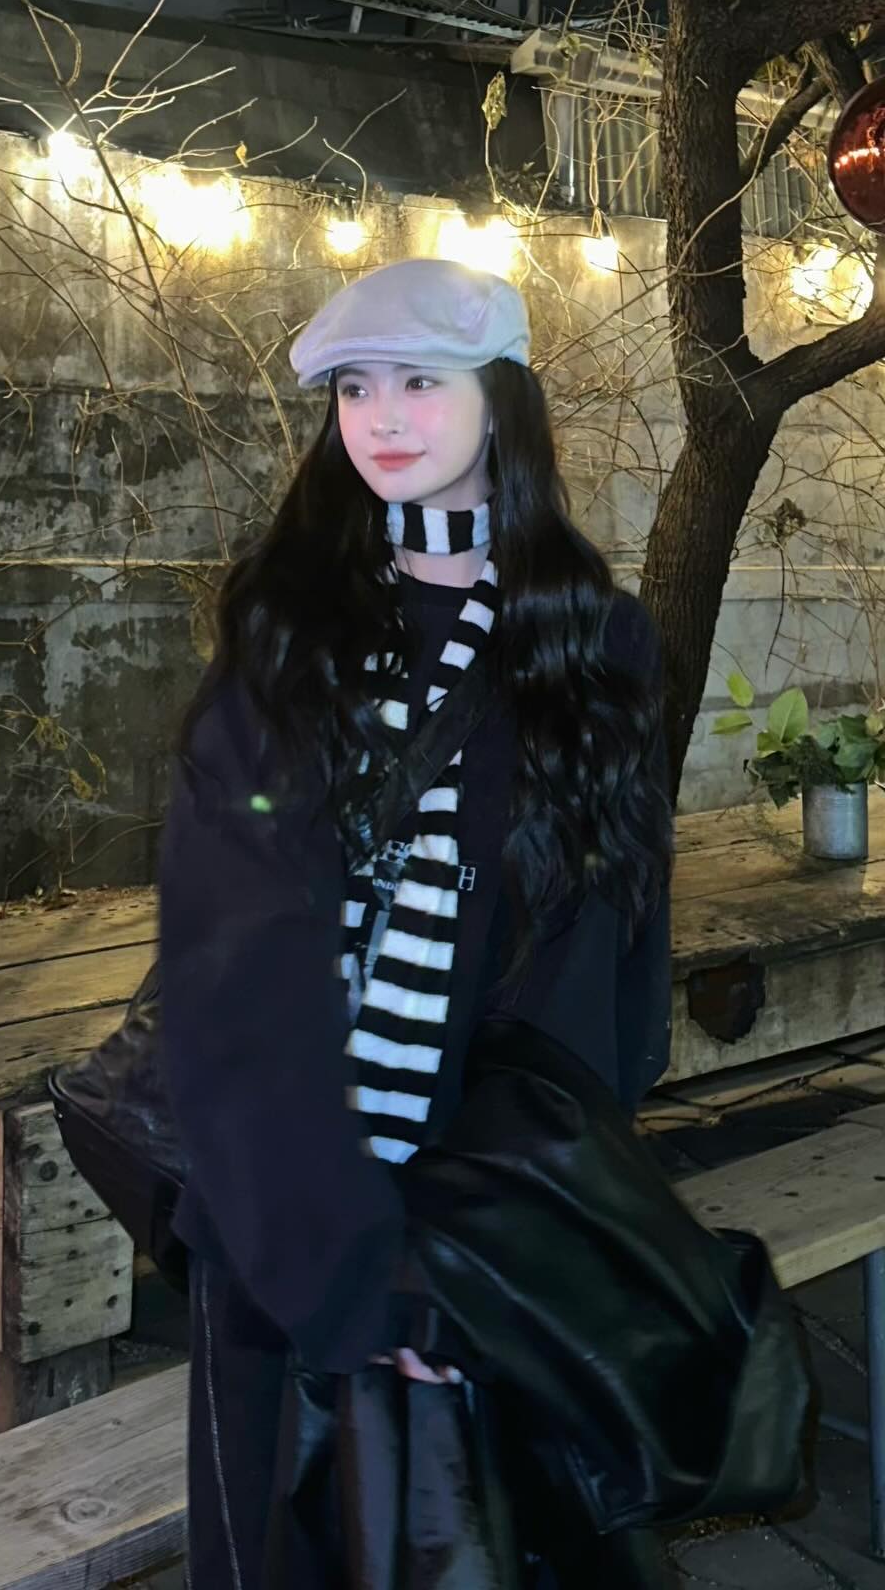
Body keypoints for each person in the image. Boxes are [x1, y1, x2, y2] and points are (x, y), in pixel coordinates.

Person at [156, 257, 676, 1588]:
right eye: (355, 388)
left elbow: (603, 971)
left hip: (487, 1242)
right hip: (293, 1229)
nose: (382, 417)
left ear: (501, 399)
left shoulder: (592, 645)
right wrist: (353, 1268)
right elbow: (231, 969)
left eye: (421, 381)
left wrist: (503, 1244)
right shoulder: (289, 636)